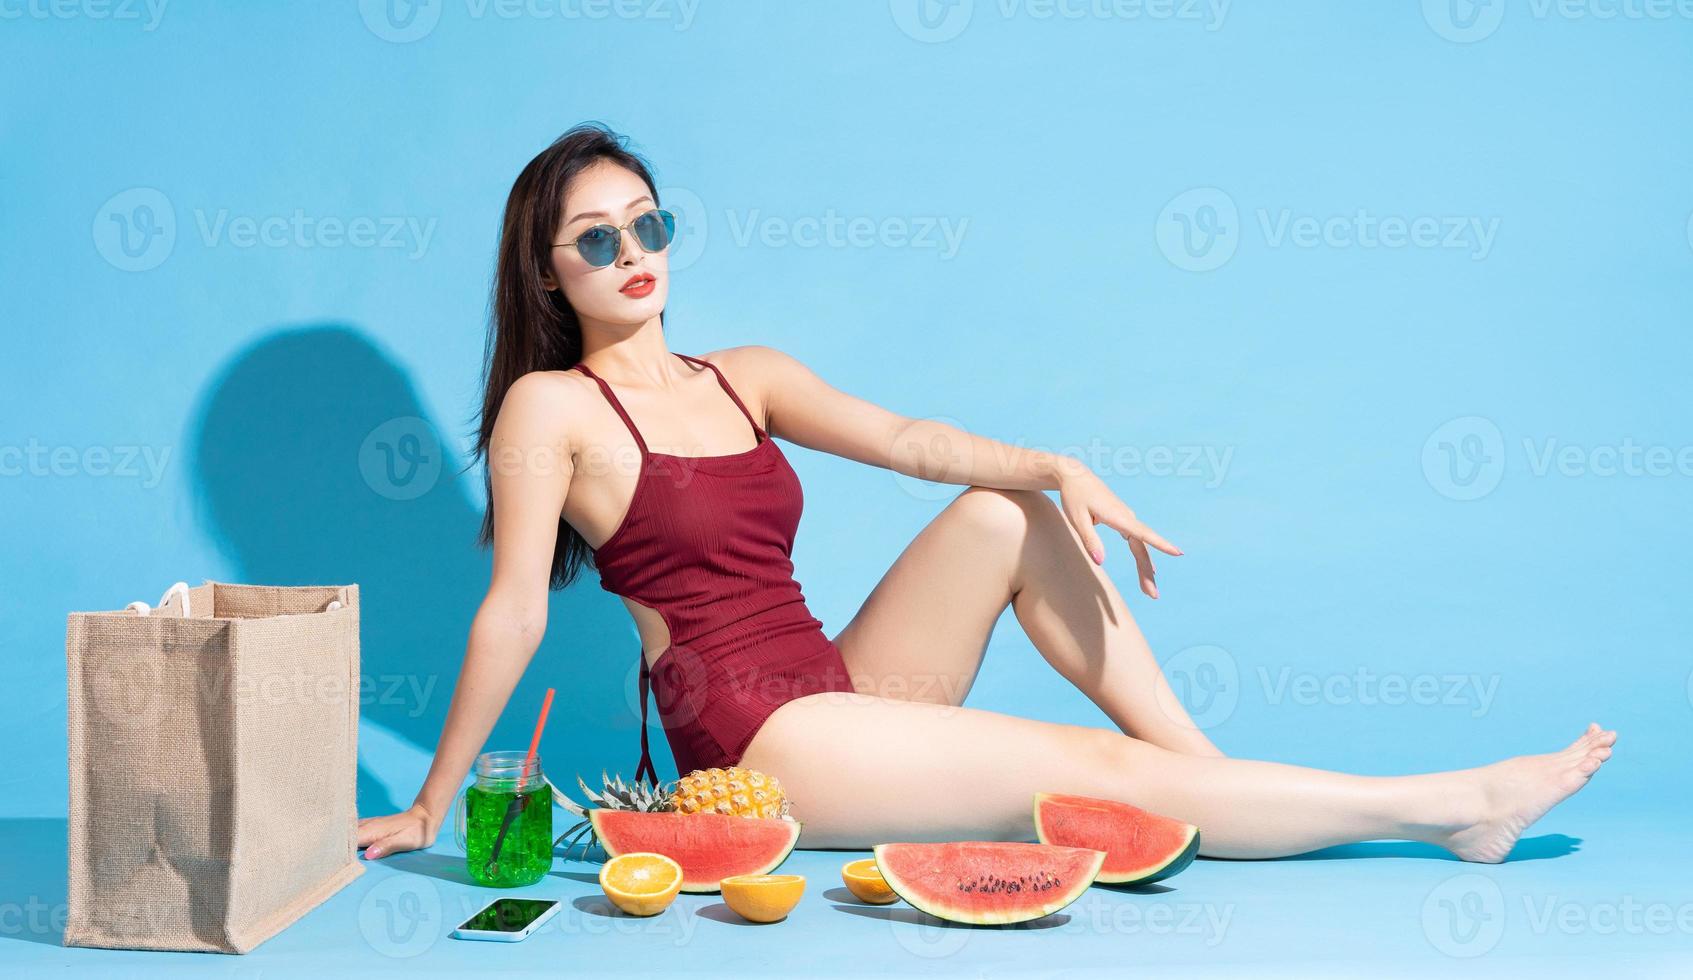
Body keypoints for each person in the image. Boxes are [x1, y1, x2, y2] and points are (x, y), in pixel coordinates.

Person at [356, 122, 1614, 862]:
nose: (635, 255)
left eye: (650, 223)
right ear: (549, 269)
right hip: (756, 736)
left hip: (840, 681)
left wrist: (1055, 463)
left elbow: (908, 439)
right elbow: (515, 611)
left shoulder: (745, 375)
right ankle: (1452, 805)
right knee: (1074, 764)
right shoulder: (552, 410)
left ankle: (1216, 780)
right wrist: (426, 802)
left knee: (1003, 513)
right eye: (598, 239)